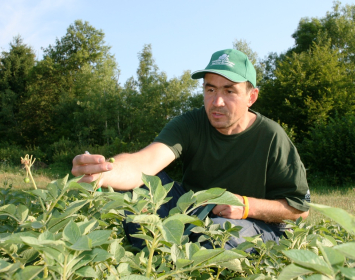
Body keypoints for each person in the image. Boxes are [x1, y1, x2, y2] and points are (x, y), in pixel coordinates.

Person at [72, 49, 310, 250]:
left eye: (229, 91)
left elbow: (299, 210)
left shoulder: (271, 137)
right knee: (140, 188)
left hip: (253, 223)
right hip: (194, 212)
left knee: (220, 232)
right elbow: (144, 163)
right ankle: (154, 261)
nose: (217, 102)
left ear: (251, 96)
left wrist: (246, 206)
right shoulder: (190, 124)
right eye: (210, 89)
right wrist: (104, 171)